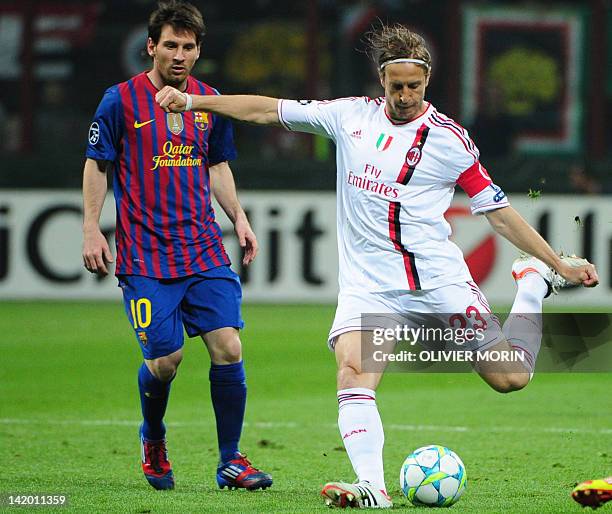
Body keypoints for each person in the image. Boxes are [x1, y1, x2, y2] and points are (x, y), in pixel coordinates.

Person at [155, 24, 599, 508]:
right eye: (396, 87)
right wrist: (195, 102)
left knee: (510, 378)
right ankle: (373, 486)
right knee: (352, 371)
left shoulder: (450, 140)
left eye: (414, 86)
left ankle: (531, 285)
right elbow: (267, 109)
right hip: (370, 287)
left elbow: (498, 211)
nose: (405, 96)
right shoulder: (348, 117)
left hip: (436, 282)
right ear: (381, 82)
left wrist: (552, 262)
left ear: (426, 83)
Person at [81, 0, 272, 492]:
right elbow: (97, 163)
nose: (180, 55)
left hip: (203, 248)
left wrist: (240, 218)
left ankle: (230, 460)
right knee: (165, 362)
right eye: (171, 45)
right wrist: (90, 227)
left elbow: (217, 166)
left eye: (188, 47)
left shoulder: (209, 101)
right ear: (151, 47)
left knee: (229, 347)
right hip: (145, 256)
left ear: (198, 50)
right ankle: (153, 435)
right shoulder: (119, 101)